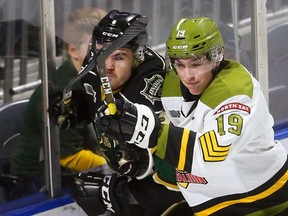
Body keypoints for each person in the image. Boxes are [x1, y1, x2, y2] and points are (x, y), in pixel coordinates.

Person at [95, 17, 288, 215]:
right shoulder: (172, 84)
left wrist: (150, 130)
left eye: (196, 64)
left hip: (264, 198)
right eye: (180, 65)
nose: (188, 76)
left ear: (217, 56)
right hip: (212, 202)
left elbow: (211, 154)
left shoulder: (235, 90)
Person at [55, 10, 187, 216]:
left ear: (137, 57)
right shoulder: (94, 65)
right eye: (102, 53)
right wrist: (82, 106)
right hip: (129, 175)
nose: (107, 66)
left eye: (119, 56)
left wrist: (118, 195)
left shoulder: (152, 92)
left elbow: (182, 177)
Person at [9, 7, 107, 198]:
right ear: (73, 50)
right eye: (96, 47)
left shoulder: (100, 77)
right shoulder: (66, 91)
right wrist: (114, 167)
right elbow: (69, 156)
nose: (106, 53)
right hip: (37, 181)